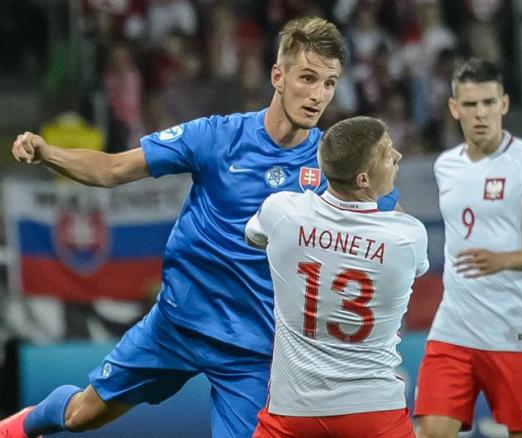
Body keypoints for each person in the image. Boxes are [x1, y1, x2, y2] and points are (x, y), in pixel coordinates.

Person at [0, 16, 373, 438]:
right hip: (177, 324)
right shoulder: (217, 137)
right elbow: (113, 168)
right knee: (83, 415)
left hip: (252, 350)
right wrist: (49, 153)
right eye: (308, 78)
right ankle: (19, 427)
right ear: (278, 76)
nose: (318, 95)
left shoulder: (331, 166)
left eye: (329, 83)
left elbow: (368, 236)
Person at [244, 116, 429, 437]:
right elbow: (416, 263)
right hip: (374, 411)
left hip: (293, 412)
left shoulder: (283, 212)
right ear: (362, 180)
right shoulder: (408, 236)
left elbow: (253, 236)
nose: (398, 157)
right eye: (387, 153)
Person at [414, 58, 522, 438]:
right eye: (470, 105)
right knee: (431, 431)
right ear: (454, 108)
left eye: (488, 102)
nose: (480, 113)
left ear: (504, 104)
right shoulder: (445, 165)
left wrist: (504, 260)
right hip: (453, 328)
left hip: (515, 329)